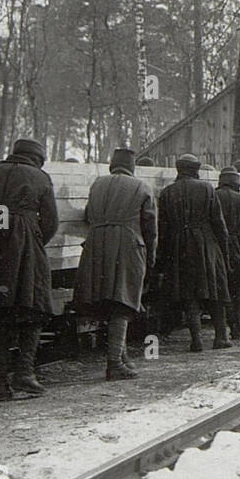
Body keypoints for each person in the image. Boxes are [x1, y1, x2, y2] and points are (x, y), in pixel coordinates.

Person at [0, 137, 58, 400]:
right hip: (24, 241)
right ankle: (25, 373)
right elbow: (51, 221)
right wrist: (33, 240)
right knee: (35, 305)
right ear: (37, 158)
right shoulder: (40, 177)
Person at [74, 146, 157, 380]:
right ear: (132, 167)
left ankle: (120, 357)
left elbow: (88, 215)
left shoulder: (98, 184)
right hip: (129, 246)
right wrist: (149, 259)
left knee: (108, 301)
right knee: (123, 302)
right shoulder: (142, 187)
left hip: (97, 245)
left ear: (112, 165)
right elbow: (150, 227)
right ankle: (114, 363)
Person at [156, 153, 231, 352]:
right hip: (207, 243)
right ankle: (221, 337)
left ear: (179, 170)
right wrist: (224, 250)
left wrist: (162, 259)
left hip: (179, 246)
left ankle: (196, 339)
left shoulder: (167, 192)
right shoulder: (207, 188)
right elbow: (218, 223)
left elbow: (162, 229)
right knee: (215, 289)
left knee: (189, 293)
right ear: (195, 170)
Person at [214, 165, 240, 337]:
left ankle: (234, 327)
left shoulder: (214, 196)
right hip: (239, 244)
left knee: (224, 286)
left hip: (219, 246)